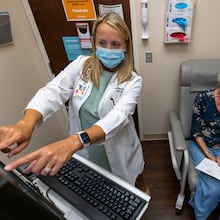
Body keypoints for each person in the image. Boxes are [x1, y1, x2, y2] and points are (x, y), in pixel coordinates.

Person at [0, 13, 150, 195]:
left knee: (129, 182)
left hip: (114, 148)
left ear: (126, 46)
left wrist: (75, 141)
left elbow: (118, 117)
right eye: (102, 43)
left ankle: (139, 187)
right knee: (97, 186)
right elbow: (53, 91)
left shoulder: (133, 80)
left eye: (116, 44)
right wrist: (25, 124)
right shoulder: (80, 65)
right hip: (85, 150)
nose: (108, 49)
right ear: (94, 43)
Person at [189, 75, 220, 220]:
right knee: (213, 188)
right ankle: (201, 215)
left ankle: (196, 201)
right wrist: (209, 154)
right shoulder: (203, 98)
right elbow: (196, 130)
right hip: (201, 145)